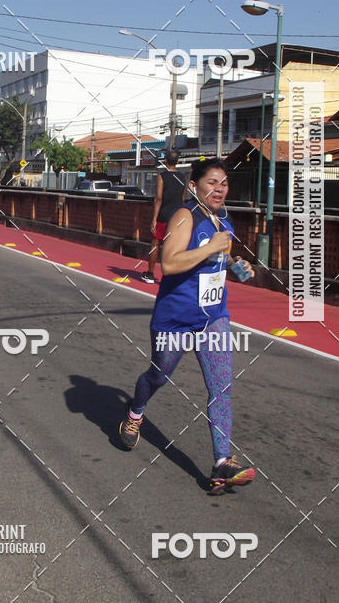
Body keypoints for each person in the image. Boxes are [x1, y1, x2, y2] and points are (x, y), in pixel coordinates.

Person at [119, 158, 257, 495]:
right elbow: (170, 261)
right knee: (159, 374)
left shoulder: (225, 220)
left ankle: (222, 463)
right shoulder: (185, 216)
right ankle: (136, 411)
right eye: (212, 182)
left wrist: (236, 266)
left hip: (213, 317)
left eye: (224, 182)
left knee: (221, 386)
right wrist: (211, 247)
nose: (219, 188)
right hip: (175, 319)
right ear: (194, 186)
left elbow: (216, 261)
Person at [142, 150, 187, 283]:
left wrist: (154, 219)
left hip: (163, 214)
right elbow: (183, 198)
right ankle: (170, 276)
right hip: (177, 216)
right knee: (173, 247)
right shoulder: (182, 177)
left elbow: (159, 198)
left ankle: (150, 273)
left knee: (155, 243)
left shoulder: (162, 176)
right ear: (177, 161)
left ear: (166, 161)